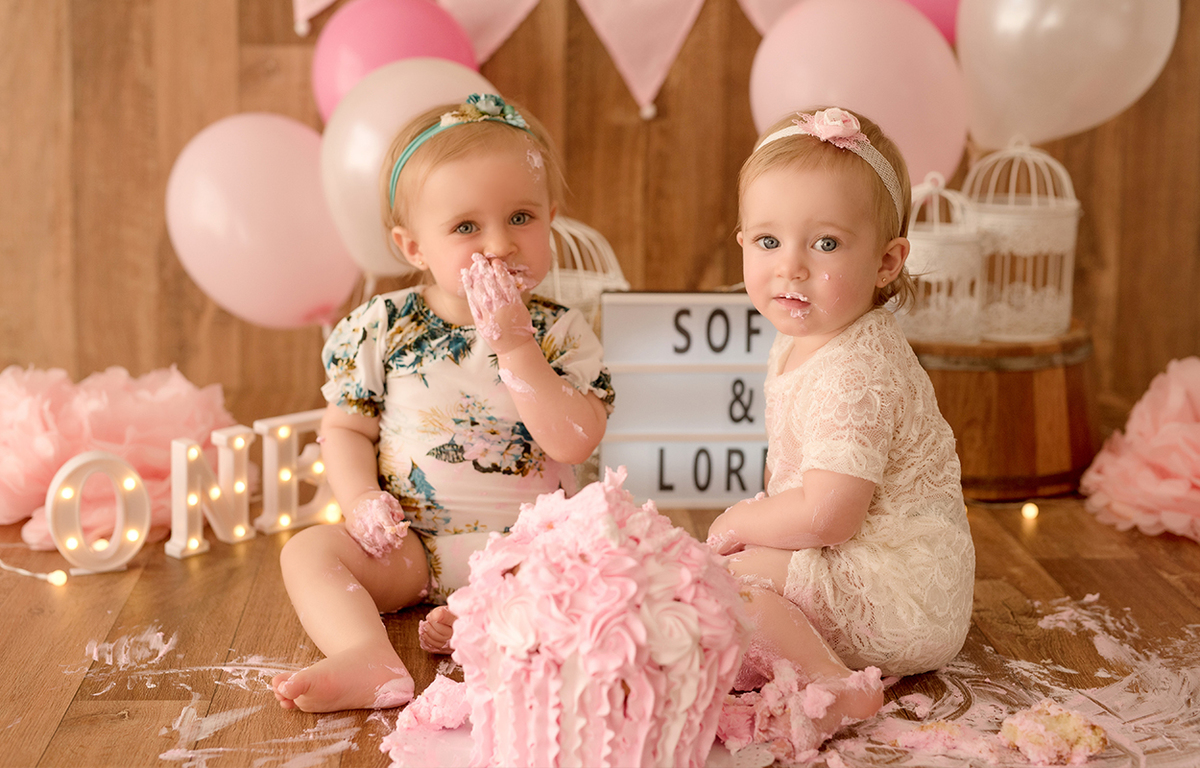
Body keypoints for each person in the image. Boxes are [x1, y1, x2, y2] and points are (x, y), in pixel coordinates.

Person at [271, 94, 615, 713]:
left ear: (551, 220)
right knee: (308, 551)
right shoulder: (384, 326)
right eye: (465, 227)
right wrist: (360, 502)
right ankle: (365, 655)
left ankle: (486, 620)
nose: (499, 244)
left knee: (595, 575)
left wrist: (515, 345)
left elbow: (574, 442)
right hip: (411, 546)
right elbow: (346, 429)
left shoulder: (561, 333)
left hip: (528, 549)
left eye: (521, 218)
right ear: (413, 247)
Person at [707, 107, 974, 750]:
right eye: (769, 242)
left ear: (887, 262)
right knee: (717, 595)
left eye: (824, 244)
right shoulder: (814, 334)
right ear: (743, 241)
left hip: (894, 595)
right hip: (881, 571)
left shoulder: (854, 368)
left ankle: (837, 682)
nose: (790, 267)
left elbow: (829, 515)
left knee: (720, 588)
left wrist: (742, 520)